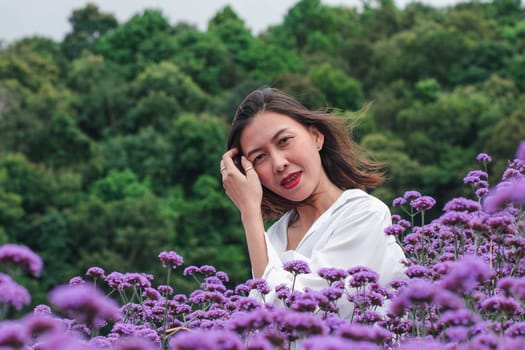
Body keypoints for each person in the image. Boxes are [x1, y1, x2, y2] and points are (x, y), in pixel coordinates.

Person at [220, 88, 406, 316]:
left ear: (316, 136)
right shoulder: (274, 237)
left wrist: (250, 212)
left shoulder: (365, 214)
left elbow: (298, 316)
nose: (279, 163)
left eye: (284, 141)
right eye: (260, 157)